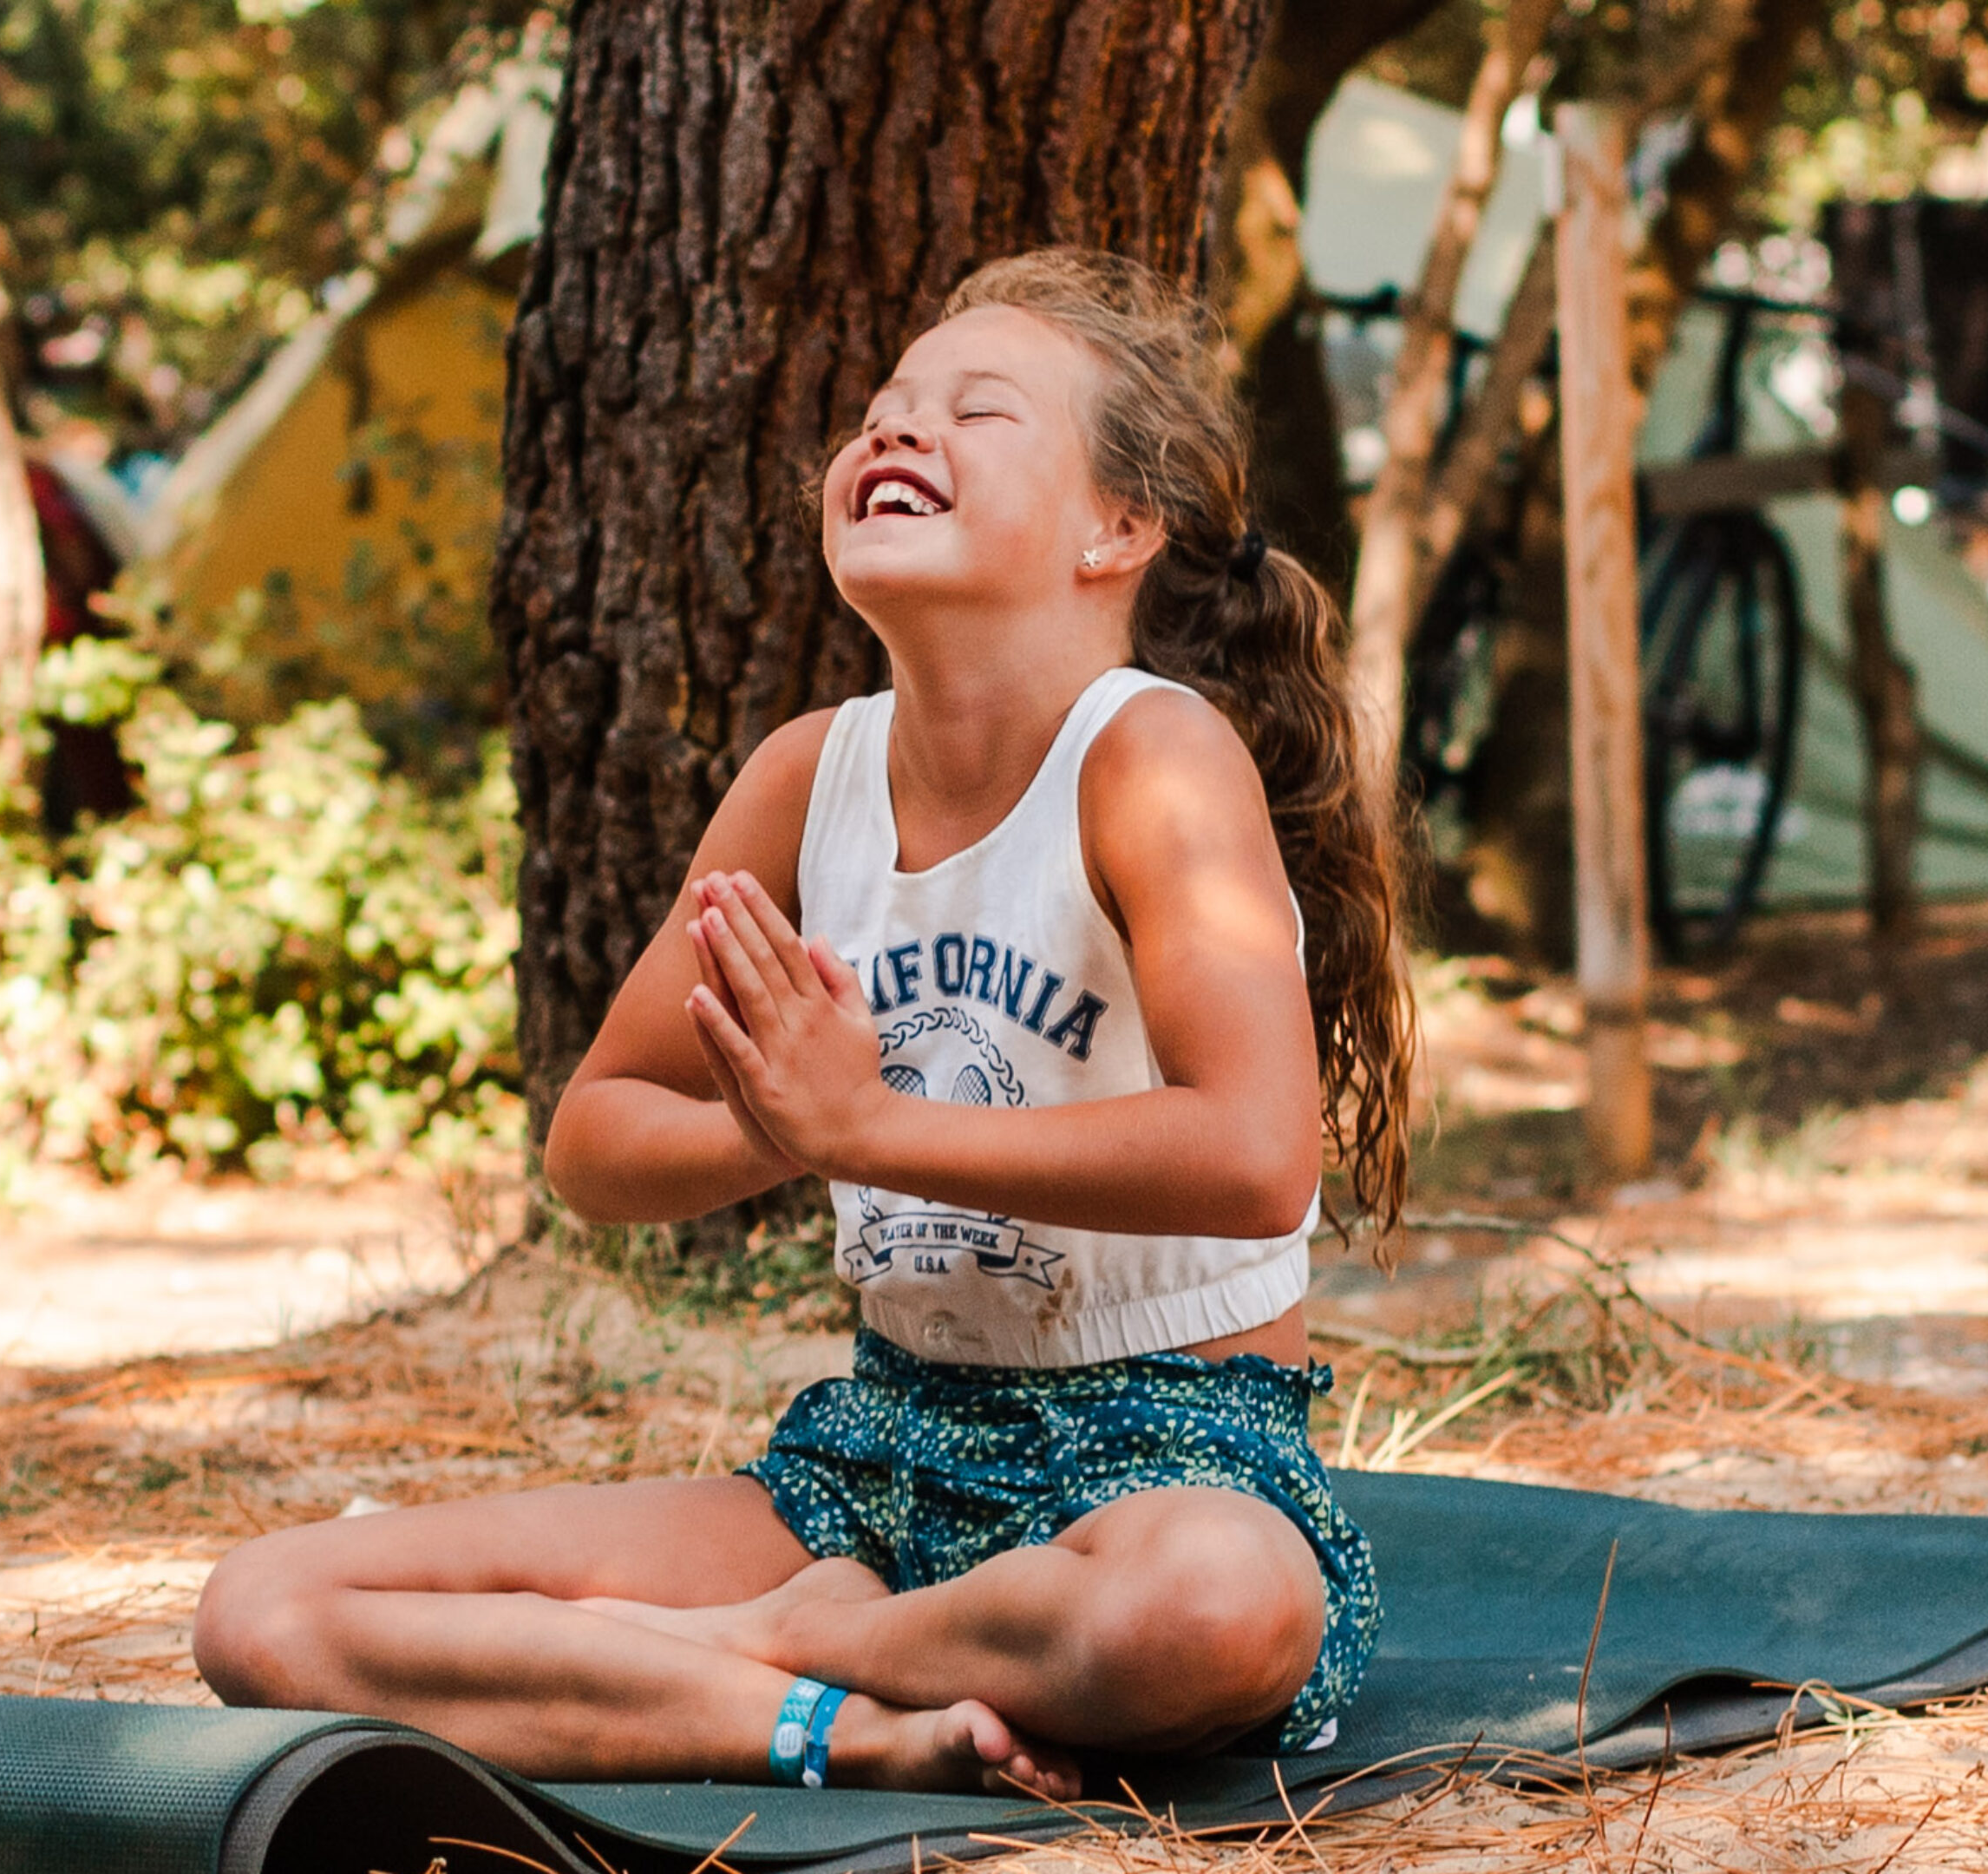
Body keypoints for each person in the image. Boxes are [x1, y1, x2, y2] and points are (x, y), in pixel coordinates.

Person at [192, 247, 1416, 1798]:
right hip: (874, 1465)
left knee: (1218, 1610)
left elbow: (1255, 1157)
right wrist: (766, 1128)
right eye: (885, 410)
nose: (900, 432)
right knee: (269, 1611)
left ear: (1119, 527)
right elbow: (596, 1140)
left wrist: (872, 1129)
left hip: (1173, 1453)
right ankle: (849, 1719)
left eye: (978, 411)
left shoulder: (1153, 757)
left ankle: (775, 1650)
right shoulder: (805, 780)